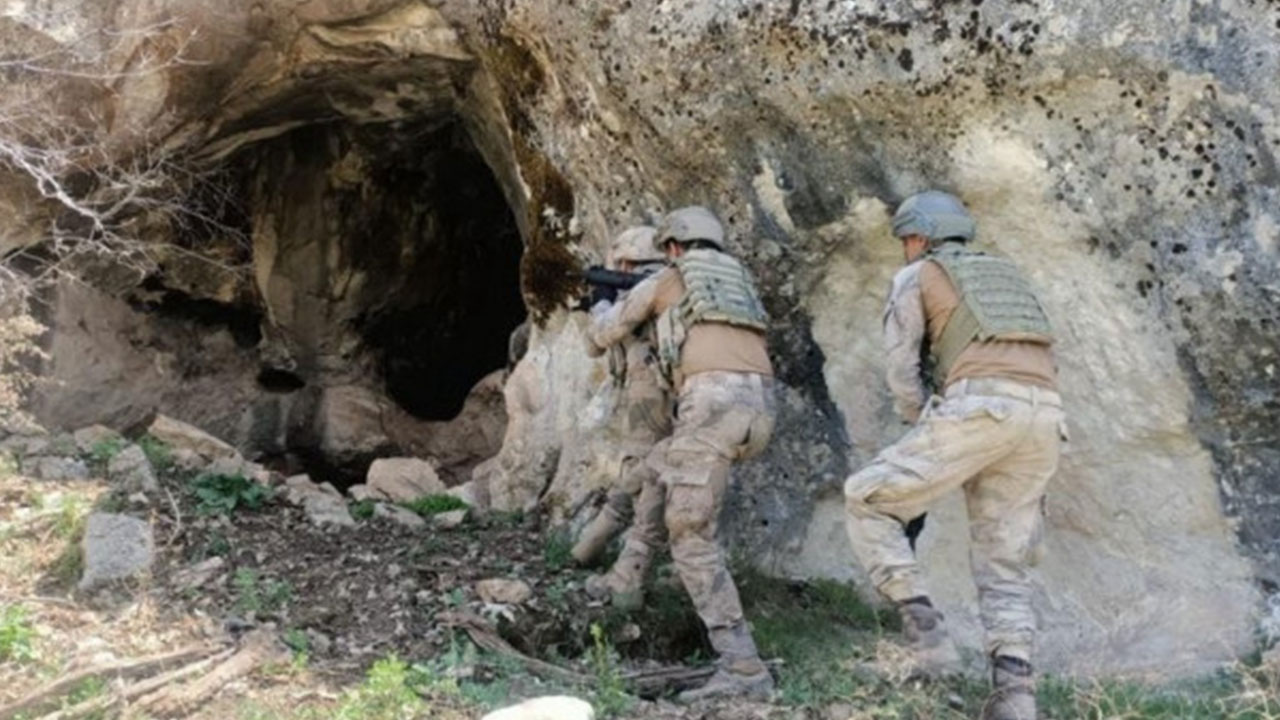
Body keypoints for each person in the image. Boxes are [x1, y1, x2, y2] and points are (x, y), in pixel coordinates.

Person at [844, 190, 1064, 720]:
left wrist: (921, 418)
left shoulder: (919, 273)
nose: (905, 250)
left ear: (920, 236)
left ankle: (929, 639)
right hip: (1046, 419)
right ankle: (1015, 700)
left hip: (980, 407)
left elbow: (901, 368)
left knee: (867, 499)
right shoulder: (1007, 277)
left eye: (905, 240)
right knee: (1004, 564)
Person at [586, 206, 777, 702]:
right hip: (758, 407)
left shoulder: (671, 279)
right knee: (659, 467)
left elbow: (602, 335)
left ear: (672, 248)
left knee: (690, 535)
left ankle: (743, 667)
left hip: (711, 405)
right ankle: (619, 563)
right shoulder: (736, 280)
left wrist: (600, 302)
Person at [571, 226, 674, 595]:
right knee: (644, 473)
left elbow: (596, 341)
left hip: (649, 392)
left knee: (643, 473)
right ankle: (585, 550)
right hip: (685, 391)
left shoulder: (647, 289)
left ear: (627, 263)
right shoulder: (672, 284)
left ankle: (629, 576)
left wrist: (601, 301)